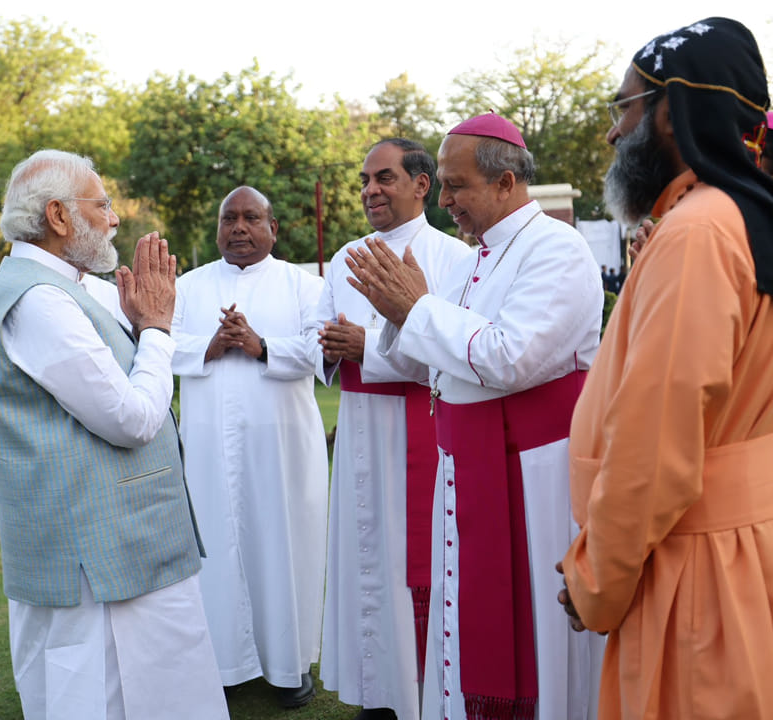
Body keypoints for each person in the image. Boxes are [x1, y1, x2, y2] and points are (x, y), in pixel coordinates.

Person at [347, 113, 605, 719]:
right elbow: (437, 363)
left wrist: (416, 310)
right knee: (465, 617)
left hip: (531, 476)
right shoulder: (473, 260)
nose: (445, 200)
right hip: (468, 465)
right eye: (442, 184)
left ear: (506, 182)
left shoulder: (556, 249)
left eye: (456, 186)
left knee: (534, 626)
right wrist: (399, 312)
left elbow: (510, 357)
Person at [559, 18, 773, 719]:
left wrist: (595, 579)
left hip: (696, 571)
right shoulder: (737, 217)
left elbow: (656, 447)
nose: (614, 132)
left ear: (673, 113)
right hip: (732, 550)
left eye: (624, 107)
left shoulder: (700, 231)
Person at [0, 149, 227, 719]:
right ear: (59, 217)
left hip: (124, 544)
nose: (115, 218)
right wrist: (157, 331)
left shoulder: (64, 286)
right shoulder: (40, 298)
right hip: (95, 561)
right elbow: (131, 419)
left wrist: (140, 325)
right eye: (103, 204)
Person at [316, 139, 472, 720]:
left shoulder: (451, 258)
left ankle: (418, 691)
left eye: (383, 178)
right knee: (360, 557)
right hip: (358, 425)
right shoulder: (347, 254)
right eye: (364, 180)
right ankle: (374, 690)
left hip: (418, 429)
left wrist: (369, 351)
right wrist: (329, 349)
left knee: (410, 560)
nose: (369, 190)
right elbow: (323, 334)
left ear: (422, 185)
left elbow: (455, 351)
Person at [171, 185, 327, 708]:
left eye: (251, 217)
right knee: (215, 548)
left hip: (280, 454)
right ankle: (224, 665)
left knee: (282, 546)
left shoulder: (304, 286)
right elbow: (159, 344)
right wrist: (211, 345)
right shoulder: (189, 287)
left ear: (273, 228)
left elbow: (320, 351)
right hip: (210, 454)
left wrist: (259, 346)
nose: (238, 227)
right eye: (229, 218)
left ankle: (289, 667)